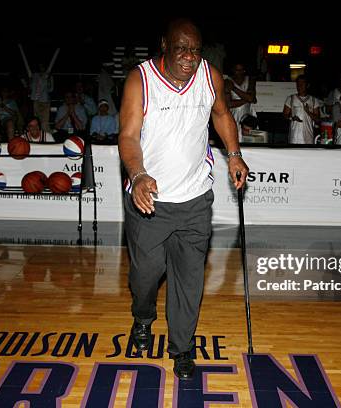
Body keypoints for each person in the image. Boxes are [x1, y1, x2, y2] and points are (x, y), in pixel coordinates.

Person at [118, 19, 248, 381]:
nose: (190, 57)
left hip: (195, 200)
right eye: (181, 49)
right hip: (151, 201)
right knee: (146, 276)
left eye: (195, 49)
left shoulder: (210, 76)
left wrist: (234, 153)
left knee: (189, 280)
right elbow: (127, 136)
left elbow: (221, 115)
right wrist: (138, 175)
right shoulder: (140, 80)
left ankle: (182, 348)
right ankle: (143, 318)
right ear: (165, 45)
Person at [283, 75, 322, 144]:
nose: (299, 85)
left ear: (307, 85)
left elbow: (318, 119)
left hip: (308, 136)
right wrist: (292, 118)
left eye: (302, 83)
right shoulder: (291, 98)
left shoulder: (313, 100)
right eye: (298, 83)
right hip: (294, 136)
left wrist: (308, 112)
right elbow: (284, 115)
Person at [225, 63, 257, 140]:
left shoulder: (250, 80)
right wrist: (247, 99)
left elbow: (251, 99)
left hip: (248, 116)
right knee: (234, 138)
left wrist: (234, 88)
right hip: (234, 115)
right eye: (237, 70)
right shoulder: (227, 81)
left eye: (241, 70)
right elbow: (229, 104)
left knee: (249, 140)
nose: (239, 72)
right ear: (233, 70)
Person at [30, 64, 54, 132]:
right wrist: (30, 81)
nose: (42, 67)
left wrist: (48, 79)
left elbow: (51, 89)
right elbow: (31, 87)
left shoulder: (49, 75)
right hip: (36, 100)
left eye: (43, 66)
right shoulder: (35, 75)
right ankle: (39, 135)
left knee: (45, 121)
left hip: (45, 101)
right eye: (40, 66)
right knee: (37, 120)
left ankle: (47, 136)